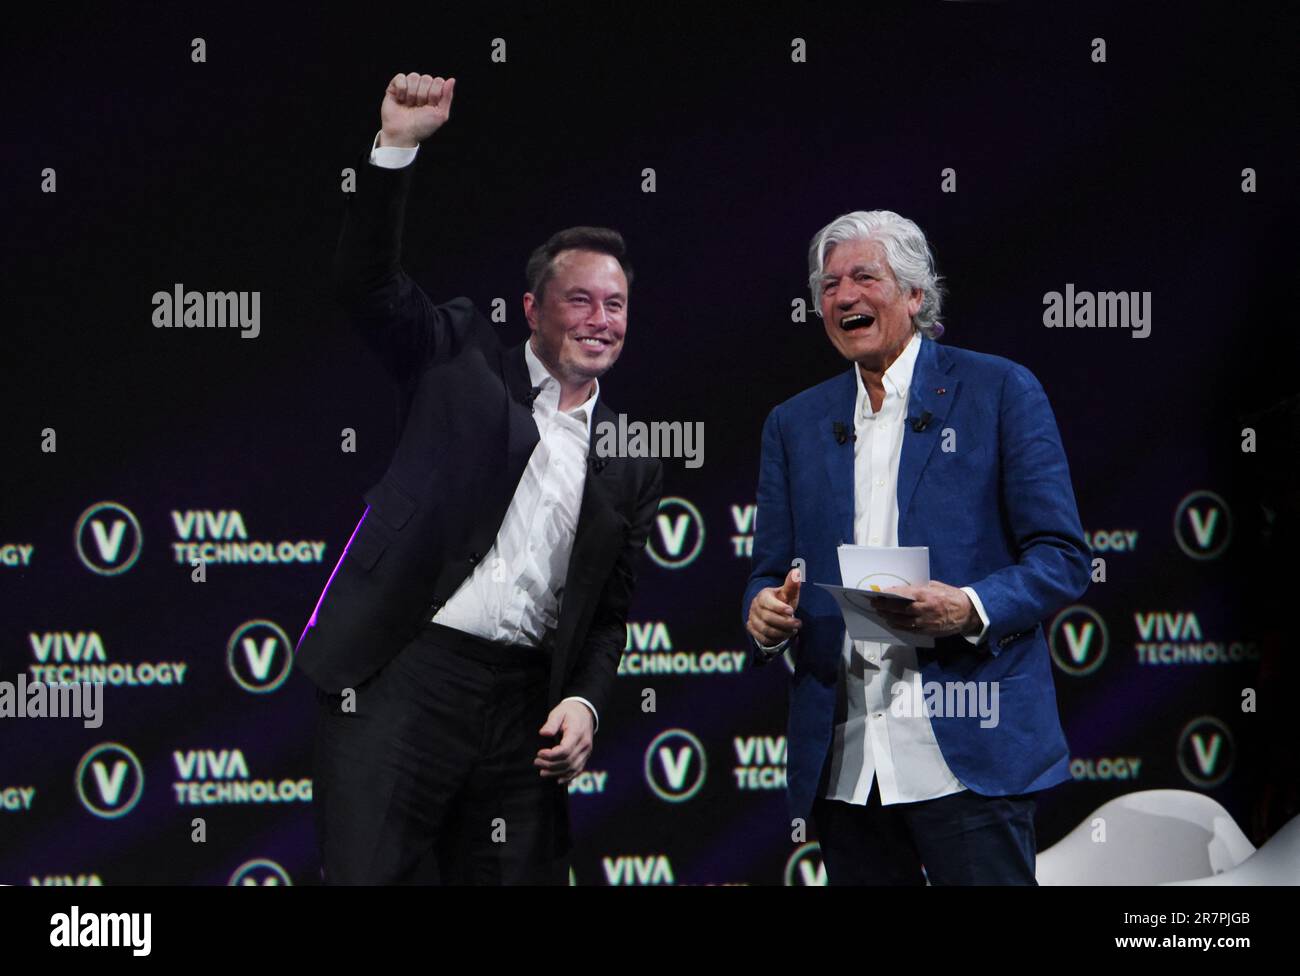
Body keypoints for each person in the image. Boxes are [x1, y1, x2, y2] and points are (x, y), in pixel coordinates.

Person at [296, 72, 663, 884]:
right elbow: (365, 285)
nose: (602, 320)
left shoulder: (631, 455)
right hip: (404, 679)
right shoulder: (456, 358)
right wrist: (395, 147)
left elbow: (606, 617)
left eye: (617, 305)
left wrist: (586, 702)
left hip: (522, 712)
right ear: (532, 311)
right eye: (581, 300)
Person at [742, 210, 1090, 885]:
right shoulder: (794, 424)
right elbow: (768, 571)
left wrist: (969, 606)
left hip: (966, 749)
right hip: (847, 764)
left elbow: (1062, 556)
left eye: (864, 277)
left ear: (914, 295)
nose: (843, 296)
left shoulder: (997, 391)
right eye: (829, 284)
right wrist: (762, 612)